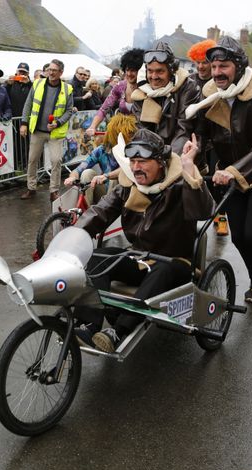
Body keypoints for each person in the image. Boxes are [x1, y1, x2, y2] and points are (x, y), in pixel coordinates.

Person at [72, 129, 214, 352]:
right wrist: (71, 237)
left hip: (175, 262)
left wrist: (188, 168)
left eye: (143, 161)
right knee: (97, 257)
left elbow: (204, 211)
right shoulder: (129, 187)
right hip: (140, 259)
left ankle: (118, 331)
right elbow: (99, 212)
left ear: (160, 163)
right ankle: (88, 324)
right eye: (133, 161)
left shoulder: (179, 186)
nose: (136, 167)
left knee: (163, 270)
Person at [187, 36, 252, 304]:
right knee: (240, 238)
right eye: (214, 66)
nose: (217, 72)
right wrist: (193, 157)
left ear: (239, 66)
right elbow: (200, 133)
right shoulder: (209, 93)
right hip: (226, 175)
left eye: (224, 66)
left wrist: (235, 170)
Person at [19, 59, 74, 202]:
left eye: (54, 70)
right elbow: (28, 104)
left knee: (56, 161)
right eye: (49, 69)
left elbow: (69, 111)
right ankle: (31, 188)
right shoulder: (37, 84)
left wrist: (58, 122)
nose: (50, 72)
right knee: (32, 160)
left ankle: (54, 191)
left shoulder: (68, 89)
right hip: (37, 130)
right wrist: (24, 123)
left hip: (55, 133)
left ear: (61, 72)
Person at [132, 42, 200, 155]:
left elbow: (184, 130)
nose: (154, 77)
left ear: (172, 71)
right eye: (150, 71)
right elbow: (142, 133)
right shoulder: (141, 92)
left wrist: (167, 160)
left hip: (182, 155)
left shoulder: (188, 88)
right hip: (154, 158)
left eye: (160, 71)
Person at [63, 113, 137, 205]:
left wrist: (106, 176)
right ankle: (87, 214)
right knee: (87, 173)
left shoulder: (133, 150)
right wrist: (72, 177)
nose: (131, 139)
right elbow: (78, 170)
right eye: (128, 135)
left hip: (125, 196)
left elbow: (127, 168)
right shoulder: (102, 150)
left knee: (114, 180)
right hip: (105, 194)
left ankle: (109, 212)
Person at [86, 49, 144, 137]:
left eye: (133, 70)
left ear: (140, 71)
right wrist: (93, 126)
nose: (128, 74)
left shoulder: (147, 88)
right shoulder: (120, 86)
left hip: (144, 136)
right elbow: (103, 109)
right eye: (126, 70)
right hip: (123, 135)